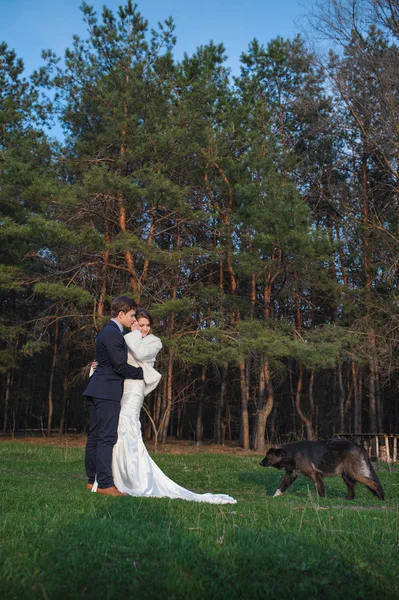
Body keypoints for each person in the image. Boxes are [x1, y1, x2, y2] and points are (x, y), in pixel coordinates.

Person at [95, 309, 237, 504]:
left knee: (128, 428)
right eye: (141, 324)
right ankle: (116, 476)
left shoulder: (154, 342)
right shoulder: (128, 337)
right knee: (118, 431)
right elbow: (118, 360)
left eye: (146, 325)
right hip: (122, 387)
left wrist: (135, 333)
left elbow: (140, 353)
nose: (144, 328)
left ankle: (136, 478)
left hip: (135, 388)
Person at [83, 296, 143, 496]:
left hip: (97, 389)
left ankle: (92, 482)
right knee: (106, 437)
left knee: (95, 437)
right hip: (106, 391)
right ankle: (106, 485)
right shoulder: (112, 334)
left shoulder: (107, 332)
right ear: (121, 314)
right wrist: (142, 373)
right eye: (132, 315)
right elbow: (119, 365)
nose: (133, 320)